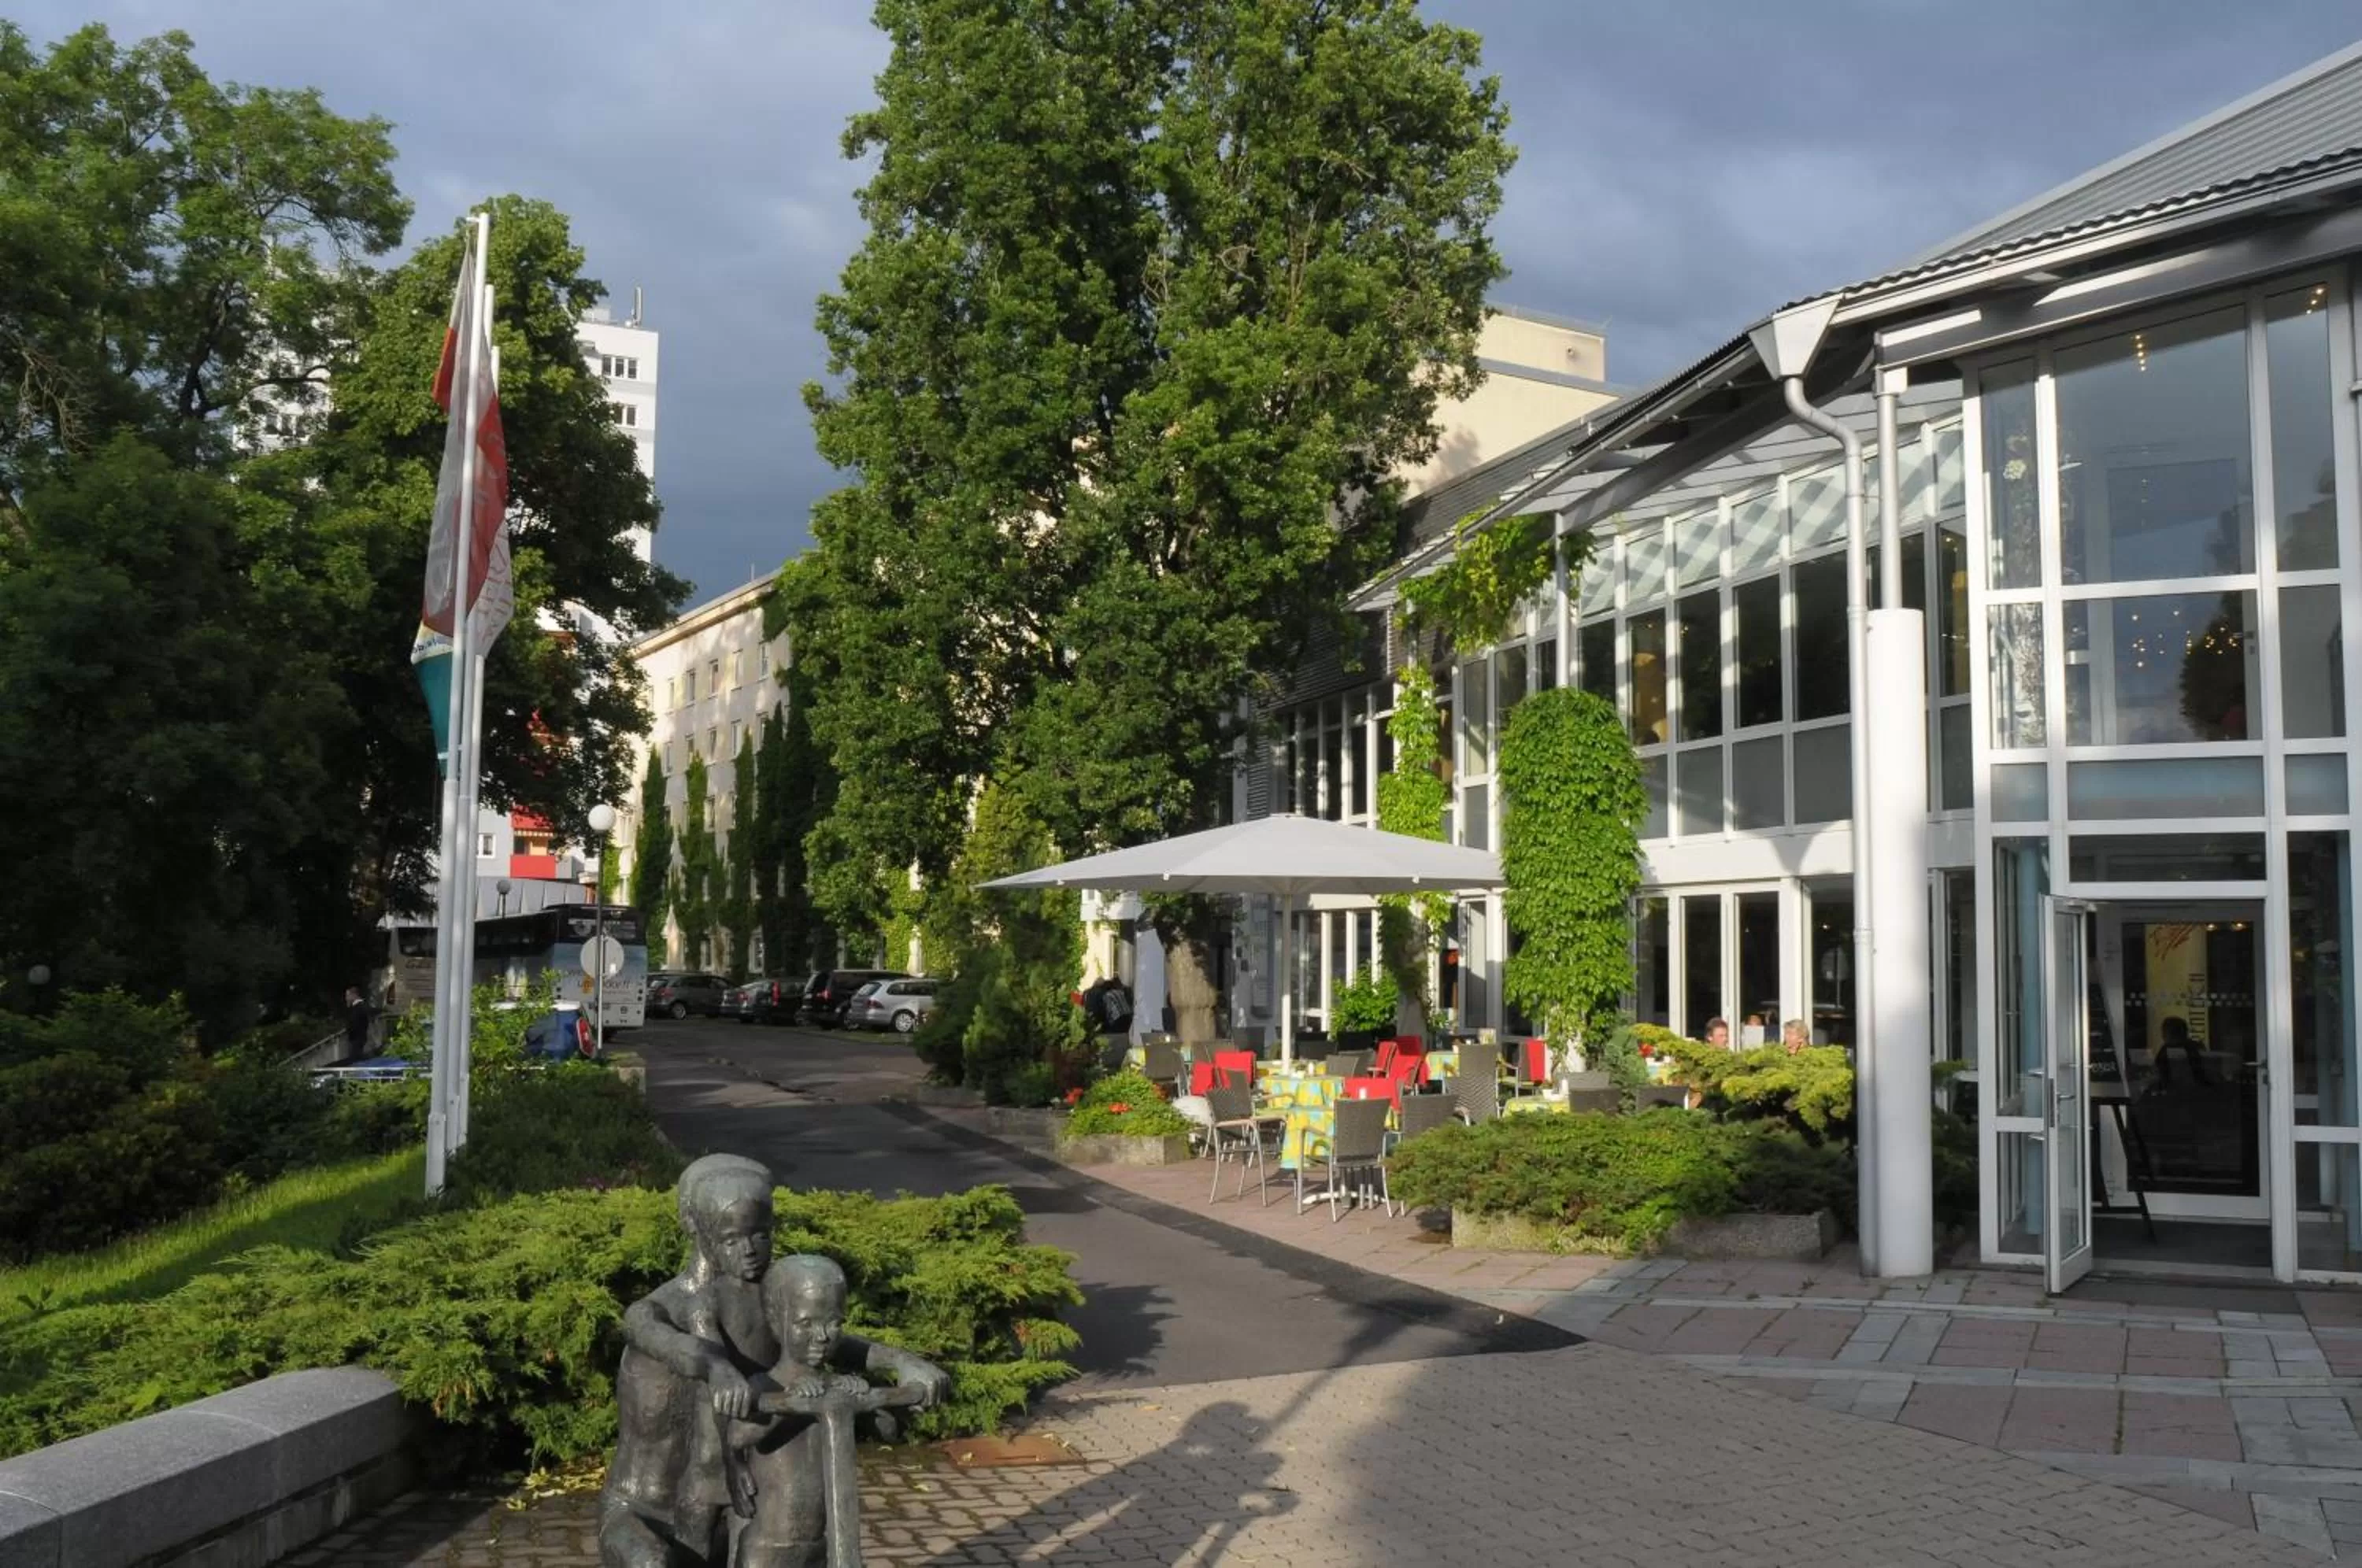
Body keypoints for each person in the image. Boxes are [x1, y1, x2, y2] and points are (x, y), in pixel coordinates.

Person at [724, 1256, 951, 1567]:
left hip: (822, 1547)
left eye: (833, 1323)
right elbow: (737, 1436)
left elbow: (889, 1433)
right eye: (806, 1324)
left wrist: (867, 1403)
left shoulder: (835, 1386)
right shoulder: (765, 1385)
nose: (821, 1336)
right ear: (777, 1322)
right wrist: (788, 1403)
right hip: (769, 1550)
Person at [2150, 1015, 2212, 1089]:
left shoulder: (2166, 1051)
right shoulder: (2197, 1047)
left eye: (2164, 1033)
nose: (2162, 1036)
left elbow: (2160, 1076)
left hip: (2175, 1093)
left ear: (2167, 1034)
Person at [342, 986, 374, 1059]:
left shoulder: (360, 1007)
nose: (346, 998)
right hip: (357, 1039)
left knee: (356, 1059)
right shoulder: (356, 1007)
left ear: (354, 995)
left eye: (348, 996)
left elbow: (355, 1023)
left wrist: (350, 1030)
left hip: (357, 1039)